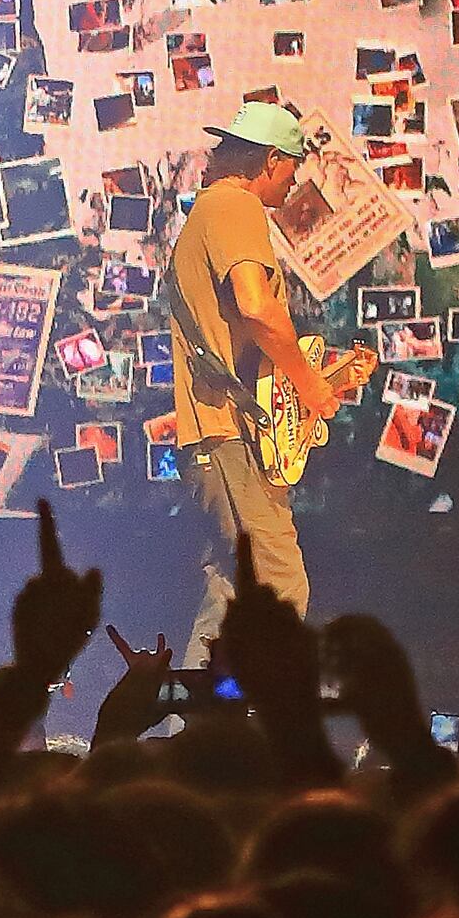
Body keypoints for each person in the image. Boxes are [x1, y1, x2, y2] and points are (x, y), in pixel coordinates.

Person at [165, 97, 347, 653]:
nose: (295, 183)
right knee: (279, 586)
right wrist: (313, 386)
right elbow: (257, 308)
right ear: (270, 160)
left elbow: (247, 343)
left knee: (230, 589)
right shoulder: (233, 207)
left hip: (217, 435)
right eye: (293, 165)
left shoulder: (209, 212)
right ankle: (258, 721)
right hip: (229, 436)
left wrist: (319, 376)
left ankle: (188, 728)